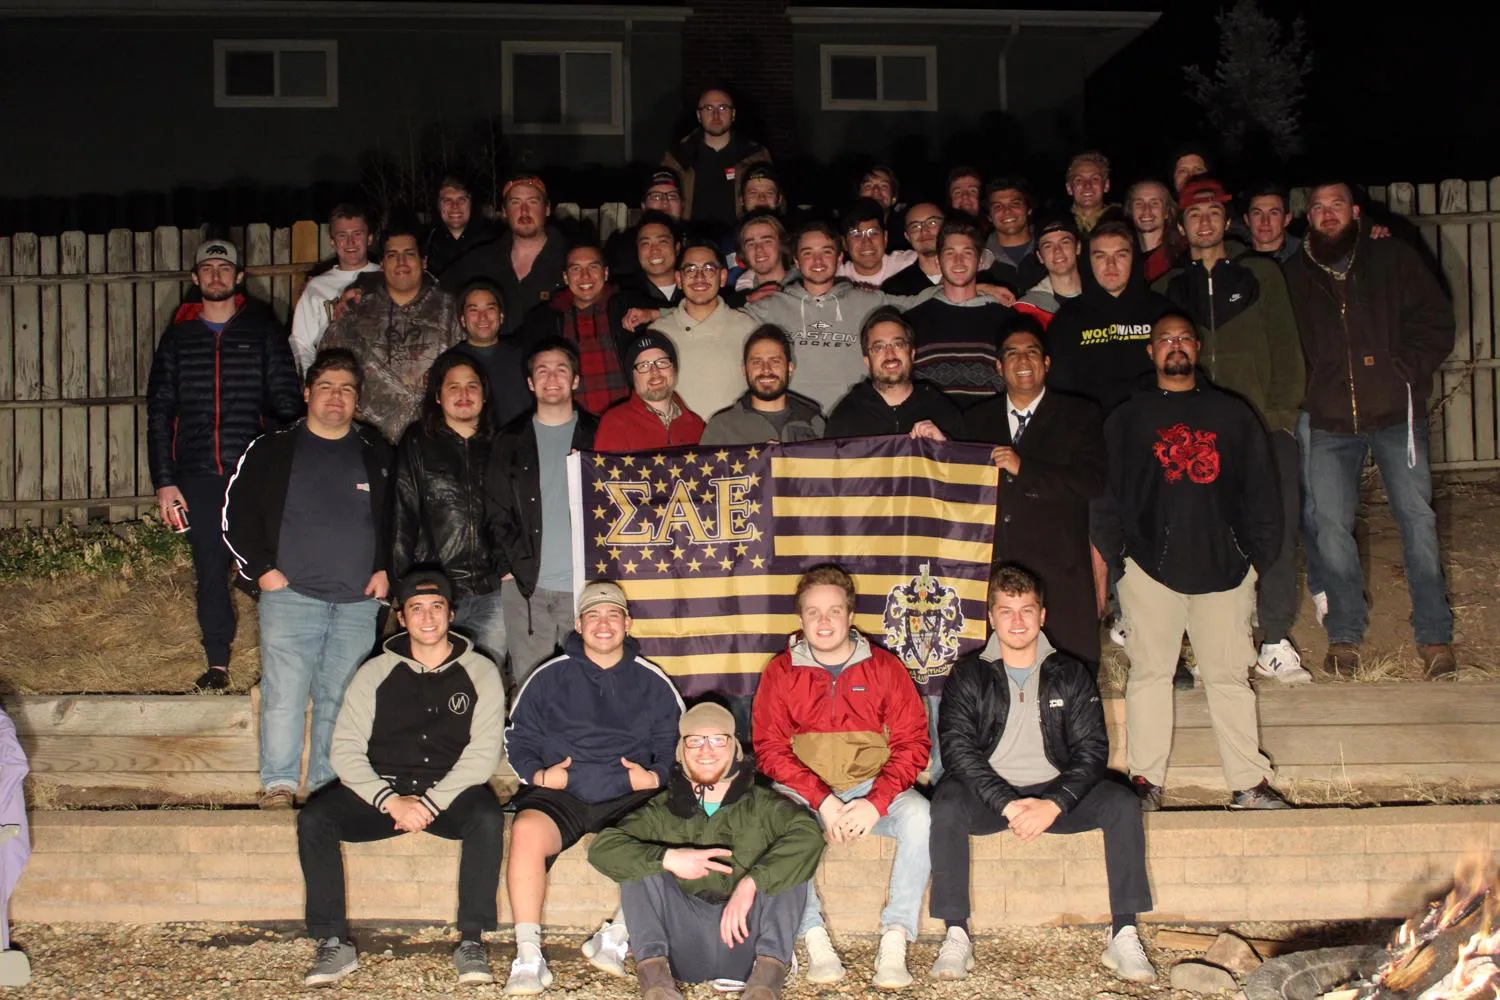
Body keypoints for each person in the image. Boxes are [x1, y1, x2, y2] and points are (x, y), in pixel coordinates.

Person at [1095, 314, 1290, 811]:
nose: (1174, 347)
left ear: (1197, 348)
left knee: (1228, 678)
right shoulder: (1127, 418)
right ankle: (1144, 783)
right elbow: (1104, 496)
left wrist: (1255, 561)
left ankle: (1248, 784)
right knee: (1149, 676)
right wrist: (1121, 563)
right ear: (1151, 351)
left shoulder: (1232, 415)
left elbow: (1265, 494)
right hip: (1149, 570)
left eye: (1183, 339)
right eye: (1164, 340)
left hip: (1225, 570)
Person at [927, 564, 1154, 984]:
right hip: (992, 798)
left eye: (1027, 610)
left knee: (1122, 802)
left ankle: (1123, 931)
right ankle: (956, 932)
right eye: (1006, 611)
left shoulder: (1070, 673)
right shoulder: (969, 674)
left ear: (1042, 616)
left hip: (1054, 794)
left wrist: (1055, 803)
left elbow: (1092, 751)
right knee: (946, 806)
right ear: (991, 616)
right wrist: (1008, 804)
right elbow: (959, 751)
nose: (1017, 621)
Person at [296, 569, 506, 988]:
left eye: (436, 607)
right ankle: (333, 941)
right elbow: (345, 750)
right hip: (384, 790)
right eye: (416, 609)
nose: (427, 618)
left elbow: (482, 756)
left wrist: (428, 804)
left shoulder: (481, 671)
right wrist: (389, 800)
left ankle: (471, 939)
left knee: (487, 817)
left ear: (450, 613)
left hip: (448, 794)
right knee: (315, 820)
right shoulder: (375, 672)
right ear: (402, 617)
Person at [1282, 181, 1458, 679]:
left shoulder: (1391, 257)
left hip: (1395, 415)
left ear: (1356, 211)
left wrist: (1407, 369)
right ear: (1309, 218)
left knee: (1417, 521)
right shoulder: (1296, 274)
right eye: (1317, 208)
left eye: (1336, 205)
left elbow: (1436, 319)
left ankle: (1434, 635)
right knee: (1332, 528)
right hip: (1331, 421)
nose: (1327, 214)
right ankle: (1344, 633)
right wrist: (1308, 389)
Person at [1156, 176, 1310, 684]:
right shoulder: (1166, 288)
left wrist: (1282, 419)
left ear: (1228, 220)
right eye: (1194, 214)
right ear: (1181, 224)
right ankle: (1216, 643)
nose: (1204, 222)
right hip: (1197, 440)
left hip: (1263, 430)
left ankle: (1275, 639)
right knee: (1207, 537)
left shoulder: (1261, 272)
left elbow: (1288, 348)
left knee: (1276, 532)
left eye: (1213, 213)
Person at [223, 348, 390, 810]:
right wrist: (263, 572)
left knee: (340, 699)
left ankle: (324, 790)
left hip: (358, 603)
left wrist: (387, 571)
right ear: (307, 393)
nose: (336, 398)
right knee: (284, 695)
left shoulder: (376, 452)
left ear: (358, 400)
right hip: (290, 596)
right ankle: (277, 784)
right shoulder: (273, 448)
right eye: (326, 387)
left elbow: (399, 520)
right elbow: (235, 516)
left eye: (347, 390)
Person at [752, 565, 931, 989]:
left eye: (834, 611)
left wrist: (876, 801)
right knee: (772, 821)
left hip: (872, 787)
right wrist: (824, 800)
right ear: (800, 619)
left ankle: (895, 939)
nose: (824, 621)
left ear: (851, 616)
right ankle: (813, 938)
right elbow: (770, 750)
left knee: (921, 816)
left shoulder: (885, 669)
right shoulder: (780, 672)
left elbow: (913, 743)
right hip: (806, 794)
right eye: (813, 612)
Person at [502, 580, 685, 995]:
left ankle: (617, 934)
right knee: (527, 830)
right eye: (594, 616)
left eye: (613, 615)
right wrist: (540, 777)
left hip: (630, 793)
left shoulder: (653, 682)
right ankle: (529, 956)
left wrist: (655, 777)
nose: (604, 625)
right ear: (579, 624)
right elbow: (518, 738)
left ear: (628, 622)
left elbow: (676, 743)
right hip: (561, 792)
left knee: (676, 823)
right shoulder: (549, 676)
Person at [147, 238, 303, 692]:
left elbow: (287, 402)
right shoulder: (177, 338)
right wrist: (164, 481)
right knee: (210, 568)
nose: (216, 275)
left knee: (267, 565)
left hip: (251, 472)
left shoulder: (262, 332)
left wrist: (281, 465)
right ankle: (217, 663)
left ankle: (285, 662)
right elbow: (159, 411)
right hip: (197, 473)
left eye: (224, 268)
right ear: (195, 279)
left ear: (238, 278)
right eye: (207, 268)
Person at [588, 702, 823, 1000]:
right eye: (695, 741)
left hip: (747, 944)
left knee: (792, 860)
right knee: (637, 861)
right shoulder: (661, 810)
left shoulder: (764, 805)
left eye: (717, 739)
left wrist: (752, 883)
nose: (706, 750)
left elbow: (810, 836)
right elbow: (602, 849)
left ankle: (766, 984)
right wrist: (669, 858)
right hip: (682, 945)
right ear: (681, 751)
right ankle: (656, 985)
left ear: (734, 747)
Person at [963, 319, 1106, 663]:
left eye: (1032, 353)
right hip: (996, 572)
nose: (1022, 362)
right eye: (1012, 354)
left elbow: (1091, 482)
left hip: (1060, 573)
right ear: (999, 366)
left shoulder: (1081, 415)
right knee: (997, 676)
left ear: (1046, 363)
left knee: (1068, 676)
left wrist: (1024, 469)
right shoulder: (975, 420)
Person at [486, 337, 599, 687]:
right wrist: (507, 566)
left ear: (576, 380)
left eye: (561, 370)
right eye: (542, 371)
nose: (552, 378)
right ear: (531, 382)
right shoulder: (509, 440)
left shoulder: (599, 434)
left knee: (586, 685)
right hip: (526, 589)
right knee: (530, 687)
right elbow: (495, 510)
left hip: (585, 587)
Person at [740, 220, 939, 413]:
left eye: (826, 252)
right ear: (796, 261)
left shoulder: (867, 301)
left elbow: (919, 302)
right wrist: (742, 297)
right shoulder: (770, 307)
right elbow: (720, 317)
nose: (817, 261)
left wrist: (964, 283)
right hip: (796, 427)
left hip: (852, 421)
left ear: (839, 258)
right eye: (808, 253)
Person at [392, 354, 507, 662]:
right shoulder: (418, 441)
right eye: (453, 386)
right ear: (438, 397)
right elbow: (402, 514)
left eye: (472, 386)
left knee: (485, 680)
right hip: (432, 588)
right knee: (430, 682)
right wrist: (403, 583)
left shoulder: (503, 444)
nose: (463, 394)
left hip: (492, 589)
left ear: (484, 395)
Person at [320, 226, 461, 442]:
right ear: (382, 264)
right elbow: (326, 376)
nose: (401, 262)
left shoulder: (450, 312)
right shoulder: (355, 315)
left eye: (409, 254)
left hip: (434, 443)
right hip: (367, 444)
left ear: (423, 262)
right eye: (392, 255)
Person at [1045, 220, 1171, 415]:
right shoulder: (1067, 319)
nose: (1110, 264)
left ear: (1134, 258)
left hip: (1153, 425)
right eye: (1100, 256)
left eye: (1121, 255)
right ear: (1088, 261)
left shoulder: (1162, 312)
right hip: (1091, 433)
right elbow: (1060, 391)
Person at [905, 217, 1015, 407]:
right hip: (930, 433)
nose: (958, 261)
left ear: (980, 261)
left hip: (988, 432)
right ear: (938, 261)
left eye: (967, 252)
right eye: (950, 253)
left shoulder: (1008, 322)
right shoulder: (911, 323)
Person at [516, 244, 630, 417]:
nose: (585, 276)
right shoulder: (544, 320)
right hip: (572, 425)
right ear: (565, 277)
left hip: (626, 421)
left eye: (593, 267)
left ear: (605, 273)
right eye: (576, 269)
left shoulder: (628, 310)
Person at [445, 175, 567, 336]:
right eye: (515, 202)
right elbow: (439, 296)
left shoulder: (572, 261)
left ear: (547, 208)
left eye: (533, 202)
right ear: (504, 211)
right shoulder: (479, 260)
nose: (524, 211)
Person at [650, 240, 757, 418]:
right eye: (690, 270)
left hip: (733, 440)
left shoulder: (747, 328)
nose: (699, 277)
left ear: (722, 277)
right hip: (678, 440)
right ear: (678, 279)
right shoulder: (659, 332)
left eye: (708, 269)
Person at [825, 307, 963, 440]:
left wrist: (944, 446)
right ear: (867, 361)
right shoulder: (845, 416)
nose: (890, 354)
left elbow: (967, 460)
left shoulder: (942, 410)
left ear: (912, 353)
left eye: (898, 344)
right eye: (879, 347)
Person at [662, 88, 771, 232]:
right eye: (708, 108)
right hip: (691, 240)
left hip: (739, 240)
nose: (716, 115)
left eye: (722, 108)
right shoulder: (678, 156)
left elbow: (773, 199)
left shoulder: (755, 155)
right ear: (699, 115)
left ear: (733, 114)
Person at [290, 204, 380, 372]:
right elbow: (301, 343)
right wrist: (311, 380)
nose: (350, 242)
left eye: (357, 234)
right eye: (342, 235)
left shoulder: (386, 277)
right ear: (332, 241)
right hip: (334, 379)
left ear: (369, 238)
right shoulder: (316, 287)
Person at [701, 325, 826, 446]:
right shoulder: (721, 428)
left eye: (775, 361)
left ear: (790, 368)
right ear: (744, 370)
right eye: (756, 362)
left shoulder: (814, 423)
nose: (766, 370)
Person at [595, 332, 706, 452]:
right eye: (644, 366)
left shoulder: (697, 425)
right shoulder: (615, 423)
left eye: (662, 362)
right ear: (633, 377)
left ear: (674, 369)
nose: (655, 372)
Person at [444, 279, 531, 429]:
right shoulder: (449, 363)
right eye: (473, 310)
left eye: (490, 309)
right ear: (462, 320)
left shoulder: (524, 358)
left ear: (501, 316)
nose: (482, 317)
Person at [605, 169, 686, 278]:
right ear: (643, 205)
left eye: (672, 196)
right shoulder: (621, 246)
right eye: (656, 196)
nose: (665, 202)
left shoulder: (697, 240)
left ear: (682, 204)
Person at [613, 212, 685, 332]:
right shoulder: (624, 297)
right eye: (645, 244)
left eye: (662, 241)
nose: (654, 250)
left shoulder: (696, 288)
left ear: (677, 248)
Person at [1014, 215, 1085, 327]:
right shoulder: (1026, 309)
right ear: (1040, 256)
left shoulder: (1102, 297)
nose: (1057, 251)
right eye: (1048, 246)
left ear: (1078, 247)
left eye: (1065, 242)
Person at [423, 175, 497, 281]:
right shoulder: (426, 244)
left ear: (471, 204)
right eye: (447, 200)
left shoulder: (493, 241)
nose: (455, 206)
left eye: (462, 200)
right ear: (438, 206)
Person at [983, 179, 1046, 294]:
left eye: (1015, 204)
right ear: (989, 217)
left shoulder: (1051, 250)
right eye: (998, 206)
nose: (1007, 211)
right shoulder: (978, 259)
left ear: (1029, 209)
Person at [837, 197, 916, 287]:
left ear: (885, 238)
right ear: (844, 243)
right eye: (857, 234)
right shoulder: (835, 278)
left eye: (873, 233)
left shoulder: (908, 264)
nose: (866, 242)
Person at [882, 202, 949, 296]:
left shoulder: (971, 275)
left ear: (947, 227)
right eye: (915, 227)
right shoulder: (894, 289)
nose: (924, 231)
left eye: (932, 222)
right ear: (907, 236)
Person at [1125, 180, 1182, 284]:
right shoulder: (1123, 258)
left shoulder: (1181, 257)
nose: (1146, 209)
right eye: (1139, 203)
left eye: (1154, 203)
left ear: (1166, 212)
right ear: (1130, 211)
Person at [733, 211, 794, 295]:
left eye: (767, 241)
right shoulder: (738, 301)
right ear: (743, 252)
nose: (758, 249)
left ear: (782, 244)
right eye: (751, 244)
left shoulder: (807, 289)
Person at [1243, 182, 1301, 263]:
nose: (1265, 221)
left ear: (1287, 219)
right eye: (1257, 213)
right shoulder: (1233, 256)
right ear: (1247, 219)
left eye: (1273, 213)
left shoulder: (1305, 257)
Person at [1065, 151, 1115, 234]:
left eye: (1095, 179)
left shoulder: (1123, 222)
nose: (1087, 185)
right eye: (1079, 180)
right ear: (1069, 188)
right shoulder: (1057, 224)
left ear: (1106, 185)